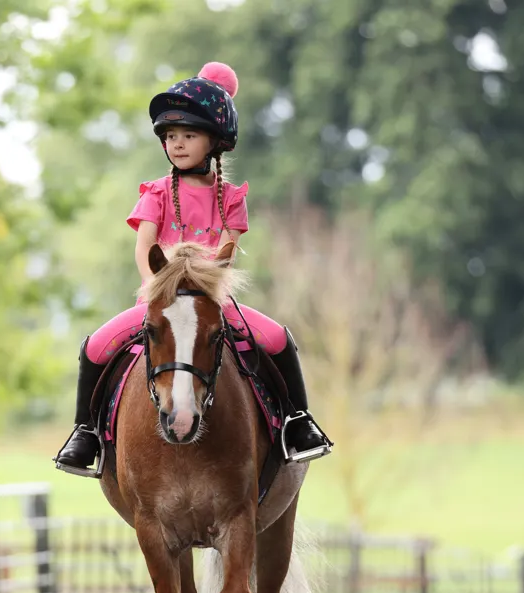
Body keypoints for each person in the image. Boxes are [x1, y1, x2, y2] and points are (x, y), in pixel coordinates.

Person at [55, 61, 332, 476]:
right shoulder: (156, 193)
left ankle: (298, 421)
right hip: (161, 300)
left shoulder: (231, 198)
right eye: (170, 136)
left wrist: (203, 285)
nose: (178, 144)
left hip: (211, 301)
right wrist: (157, 287)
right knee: (95, 347)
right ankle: (85, 432)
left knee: (277, 339)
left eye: (189, 135)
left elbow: (227, 253)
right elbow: (145, 247)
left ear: (214, 141)